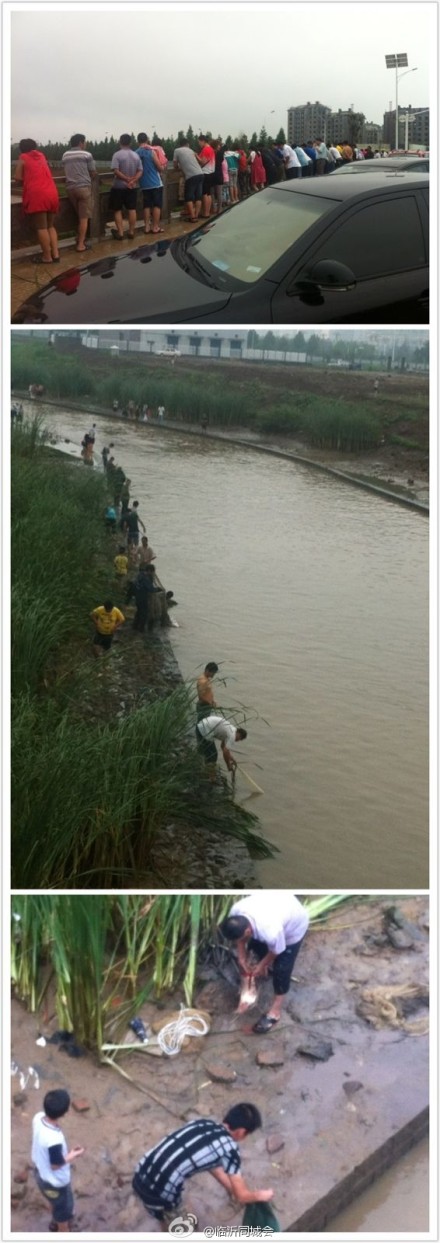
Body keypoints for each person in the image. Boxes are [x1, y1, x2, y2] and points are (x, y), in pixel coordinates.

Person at [132, 1104, 273, 1229]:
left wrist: (232, 1189)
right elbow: (242, 1196)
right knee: (184, 1225)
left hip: (140, 1174)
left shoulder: (202, 1123)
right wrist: (260, 1195)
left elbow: (213, 1166)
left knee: (162, 1213)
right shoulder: (230, 1149)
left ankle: (165, 1223)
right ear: (241, 1132)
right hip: (159, 1193)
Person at [220, 893, 309, 1034]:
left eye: (243, 936)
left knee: (281, 968)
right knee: (255, 949)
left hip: (295, 924)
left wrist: (262, 965)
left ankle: (275, 1011)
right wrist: (241, 956)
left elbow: (277, 951)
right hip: (276, 907)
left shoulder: (271, 931)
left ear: (248, 931)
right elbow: (240, 939)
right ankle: (251, 985)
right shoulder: (235, 913)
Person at [31, 1088, 84, 1233]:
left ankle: (54, 1221)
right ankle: (61, 1228)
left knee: (53, 1201)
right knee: (64, 1211)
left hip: (40, 1173)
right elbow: (55, 1165)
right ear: (64, 1113)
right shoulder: (54, 1139)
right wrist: (72, 1154)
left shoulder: (38, 1117)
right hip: (55, 1183)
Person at [14, 139, 59, 264]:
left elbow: (17, 177)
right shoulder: (41, 155)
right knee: (50, 226)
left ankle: (47, 257)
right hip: (52, 192)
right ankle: (55, 254)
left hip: (37, 194)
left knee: (41, 227)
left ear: (22, 148)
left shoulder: (23, 157)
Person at [61, 134, 97, 252]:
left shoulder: (65, 155)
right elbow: (93, 172)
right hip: (83, 188)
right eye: (84, 142)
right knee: (84, 218)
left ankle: (78, 238)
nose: (85, 144)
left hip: (70, 188)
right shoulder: (87, 155)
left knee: (79, 215)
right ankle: (81, 245)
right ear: (81, 143)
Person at [109, 134, 142, 241]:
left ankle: (120, 233)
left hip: (118, 187)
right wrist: (133, 180)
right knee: (132, 209)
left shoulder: (117, 155)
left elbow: (115, 170)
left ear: (120, 142)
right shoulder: (136, 155)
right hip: (132, 187)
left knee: (117, 210)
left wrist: (126, 179)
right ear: (130, 143)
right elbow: (140, 170)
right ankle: (131, 231)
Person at [136, 133, 164, 234]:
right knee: (157, 205)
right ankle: (155, 227)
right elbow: (160, 167)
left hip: (143, 184)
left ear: (138, 141)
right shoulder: (151, 151)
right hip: (155, 183)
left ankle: (147, 227)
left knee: (146, 205)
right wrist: (162, 167)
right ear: (147, 140)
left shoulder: (136, 153)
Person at [173, 139, 204, 223]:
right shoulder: (191, 150)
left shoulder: (177, 150)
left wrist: (179, 168)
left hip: (191, 176)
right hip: (200, 174)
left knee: (188, 197)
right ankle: (196, 215)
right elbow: (199, 161)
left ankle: (193, 217)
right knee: (198, 197)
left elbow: (175, 164)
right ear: (187, 144)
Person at [131, 564, 162, 632]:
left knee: (139, 611)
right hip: (142, 597)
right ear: (149, 570)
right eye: (152, 572)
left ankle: (134, 626)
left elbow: (135, 584)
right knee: (144, 613)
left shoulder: (140, 575)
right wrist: (158, 589)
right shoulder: (145, 579)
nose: (153, 573)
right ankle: (141, 629)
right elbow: (151, 589)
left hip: (137, 596)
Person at [196, 134, 216, 218]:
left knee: (204, 194)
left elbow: (203, 162)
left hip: (206, 173)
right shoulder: (211, 149)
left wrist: (196, 155)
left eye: (199, 142)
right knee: (208, 193)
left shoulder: (206, 149)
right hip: (211, 172)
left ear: (203, 141)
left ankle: (205, 213)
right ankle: (208, 212)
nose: (199, 144)